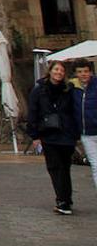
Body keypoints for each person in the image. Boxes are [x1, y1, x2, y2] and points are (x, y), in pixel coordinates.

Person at [27, 60, 80, 215]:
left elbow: (74, 111)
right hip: (49, 134)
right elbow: (33, 112)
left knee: (64, 168)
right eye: (56, 69)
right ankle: (63, 200)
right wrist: (34, 135)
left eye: (62, 70)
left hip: (66, 133)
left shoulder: (68, 90)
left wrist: (76, 133)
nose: (59, 72)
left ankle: (64, 200)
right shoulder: (39, 90)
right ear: (50, 71)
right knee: (55, 168)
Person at [72, 59, 97, 195]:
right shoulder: (73, 88)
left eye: (86, 71)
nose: (83, 74)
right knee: (95, 165)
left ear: (91, 72)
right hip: (86, 134)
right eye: (80, 72)